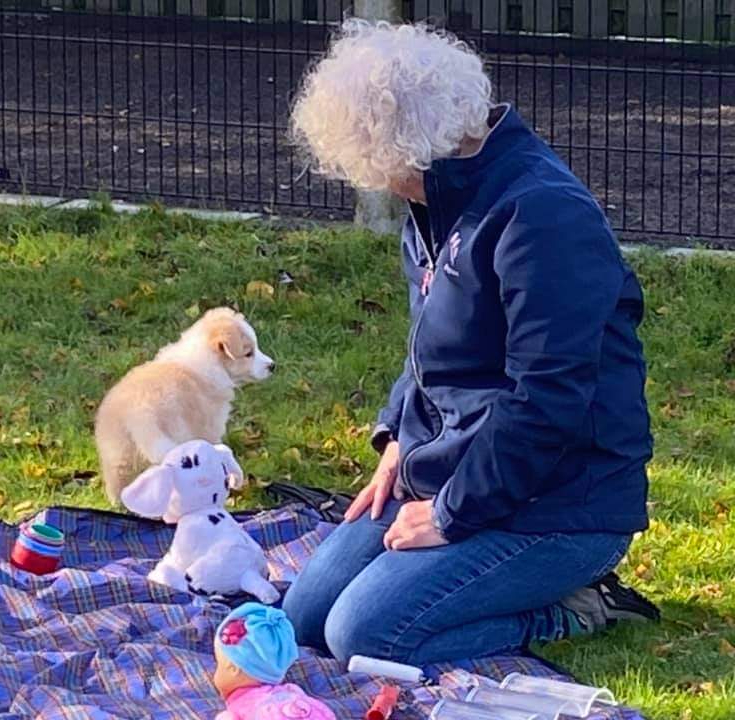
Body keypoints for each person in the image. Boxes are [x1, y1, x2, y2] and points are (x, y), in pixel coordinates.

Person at [281, 20, 659, 666]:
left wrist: (451, 514)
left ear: (399, 152)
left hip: (561, 502)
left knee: (364, 636)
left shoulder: (543, 216)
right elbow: (429, 349)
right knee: (305, 619)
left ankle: (579, 604)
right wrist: (398, 438)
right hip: (454, 468)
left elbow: (549, 401)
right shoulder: (437, 200)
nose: (373, 181)